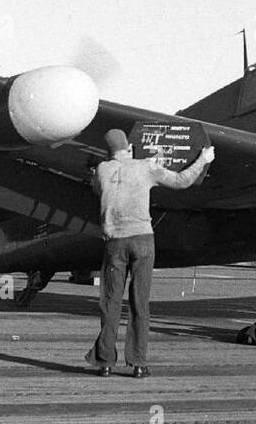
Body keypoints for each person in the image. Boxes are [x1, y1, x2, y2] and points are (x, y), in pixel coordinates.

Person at [86, 129, 214, 377]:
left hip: (115, 243)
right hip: (143, 240)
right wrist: (203, 160)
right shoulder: (145, 166)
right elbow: (181, 181)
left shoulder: (102, 170)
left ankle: (105, 363)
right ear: (129, 148)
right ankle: (138, 363)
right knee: (139, 303)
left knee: (110, 303)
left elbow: (98, 188)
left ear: (109, 150)